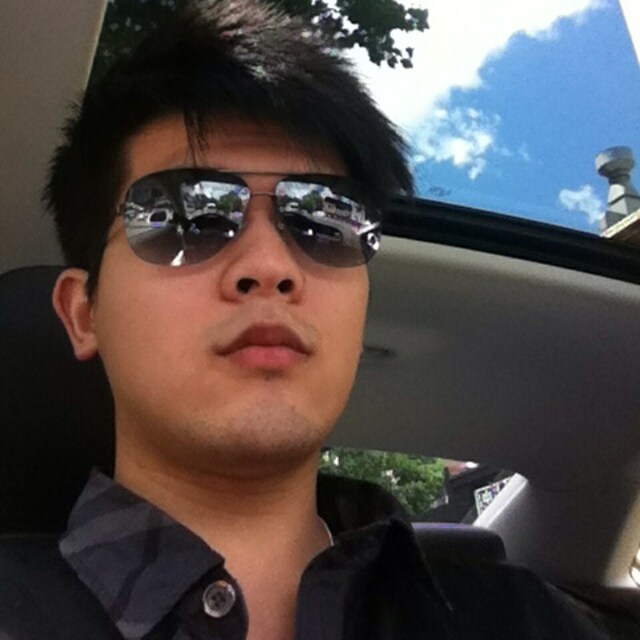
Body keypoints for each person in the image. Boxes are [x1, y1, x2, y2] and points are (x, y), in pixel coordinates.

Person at [0, 1, 625, 638]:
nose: (270, 265)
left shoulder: (526, 620)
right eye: (189, 216)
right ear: (84, 314)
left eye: (324, 221)